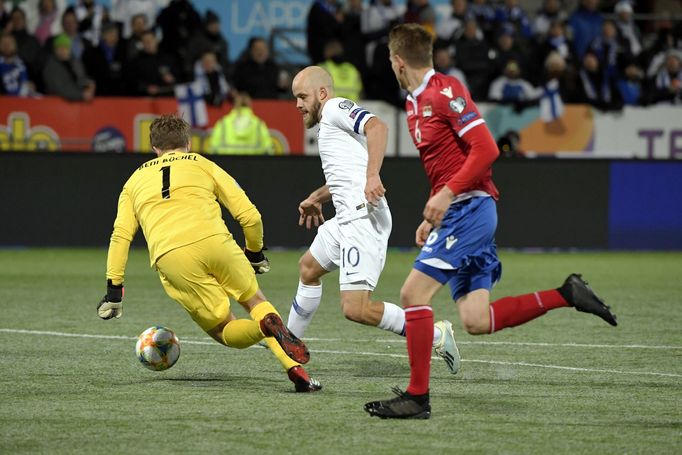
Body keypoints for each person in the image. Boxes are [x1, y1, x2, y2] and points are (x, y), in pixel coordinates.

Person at [364, 23, 617, 420]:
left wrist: (447, 196)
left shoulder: (444, 92)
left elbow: (486, 149)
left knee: (413, 295)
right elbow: (445, 164)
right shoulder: (414, 102)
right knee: (476, 320)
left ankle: (417, 397)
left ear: (397, 61)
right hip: (457, 210)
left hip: (470, 208)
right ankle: (566, 294)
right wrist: (435, 211)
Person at [97, 114, 321, 393]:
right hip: (216, 242)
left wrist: (114, 289)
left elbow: (121, 236)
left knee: (225, 332)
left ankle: (264, 328)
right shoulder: (203, 164)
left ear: (154, 148)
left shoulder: (133, 182)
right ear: (188, 143)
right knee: (255, 301)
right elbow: (250, 216)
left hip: (172, 256)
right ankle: (295, 369)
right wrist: (254, 253)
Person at [287, 66, 461, 376]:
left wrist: (372, 175)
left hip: (361, 217)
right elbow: (345, 177)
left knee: (356, 308)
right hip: (347, 215)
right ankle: (289, 344)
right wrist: (316, 197)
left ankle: (436, 334)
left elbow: (378, 127)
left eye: (302, 96)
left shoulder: (335, 108)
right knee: (308, 268)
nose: (298, 104)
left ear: (322, 93)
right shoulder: (330, 125)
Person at [208, 92, 274, 155]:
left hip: (225, 164)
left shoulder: (223, 123)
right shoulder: (258, 123)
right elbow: (268, 150)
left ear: (234, 104)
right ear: (250, 104)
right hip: (252, 164)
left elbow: (213, 149)